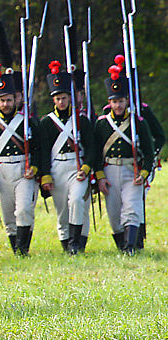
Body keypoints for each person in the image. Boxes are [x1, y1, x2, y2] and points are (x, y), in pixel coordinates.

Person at [0, 63, 42, 255]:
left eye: (9, 100)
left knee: (23, 209)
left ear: (15, 99)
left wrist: (36, 168)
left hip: (24, 170)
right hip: (1, 171)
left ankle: (23, 250)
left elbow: (39, 149)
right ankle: (16, 249)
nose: (6, 104)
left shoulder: (27, 121)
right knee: (8, 215)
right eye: (2, 100)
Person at [93, 59, 154, 254]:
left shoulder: (138, 122)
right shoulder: (102, 124)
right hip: (109, 170)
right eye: (114, 101)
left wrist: (144, 173)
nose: (118, 105)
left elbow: (149, 150)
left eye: (120, 101)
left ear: (127, 100)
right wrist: (100, 177)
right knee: (114, 212)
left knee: (132, 208)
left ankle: (130, 248)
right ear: (109, 102)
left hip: (132, 170)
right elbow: (95, 152)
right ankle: (122, 244)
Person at [38, 61, 95, 254]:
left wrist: (86, 168)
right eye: (57, 98)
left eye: (64, 97)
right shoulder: (46, 122)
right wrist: (45, 175)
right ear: (53, 100)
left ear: (70, 97)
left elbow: (92, 147)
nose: (61, 102)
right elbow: (43, 150)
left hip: (77, 167)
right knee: (62, 209)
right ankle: (65, 241)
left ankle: (75, 242)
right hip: (56, 168)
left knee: (77, 200)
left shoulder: (81, 120)